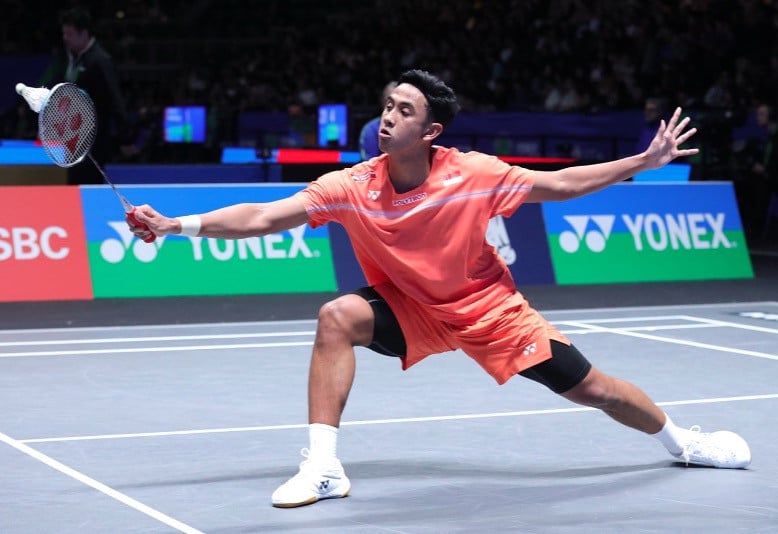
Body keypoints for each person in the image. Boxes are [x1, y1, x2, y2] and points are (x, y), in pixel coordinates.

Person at [128, 70, 752, 508]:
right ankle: (322, 467)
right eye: (388, 105)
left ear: (431, 132)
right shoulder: (353, 185)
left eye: (405, 110)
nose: (388, 116)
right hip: (413, 309)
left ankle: (684, 442)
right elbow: (265, 216)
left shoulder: (474, 174)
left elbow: (561, 185)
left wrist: (642, 163)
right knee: (337, 316)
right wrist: (178, 226)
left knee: (593, 389)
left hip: (490, 311)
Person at [40, 7, 134, 185]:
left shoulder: (100, 61)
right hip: (72, 141)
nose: (65, 38)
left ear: (83, 33)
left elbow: (115, 99)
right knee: (73, 188)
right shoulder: (72, 59)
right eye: (64, 33)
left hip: (94, 144)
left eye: (69, 34)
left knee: (88, 188)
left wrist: (126, 138)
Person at [358, 80, 398, 160]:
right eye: (389, 104)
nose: (394, 109)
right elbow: (370, 163)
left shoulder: (411, 129)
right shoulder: (370, 129)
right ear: (382, 101)